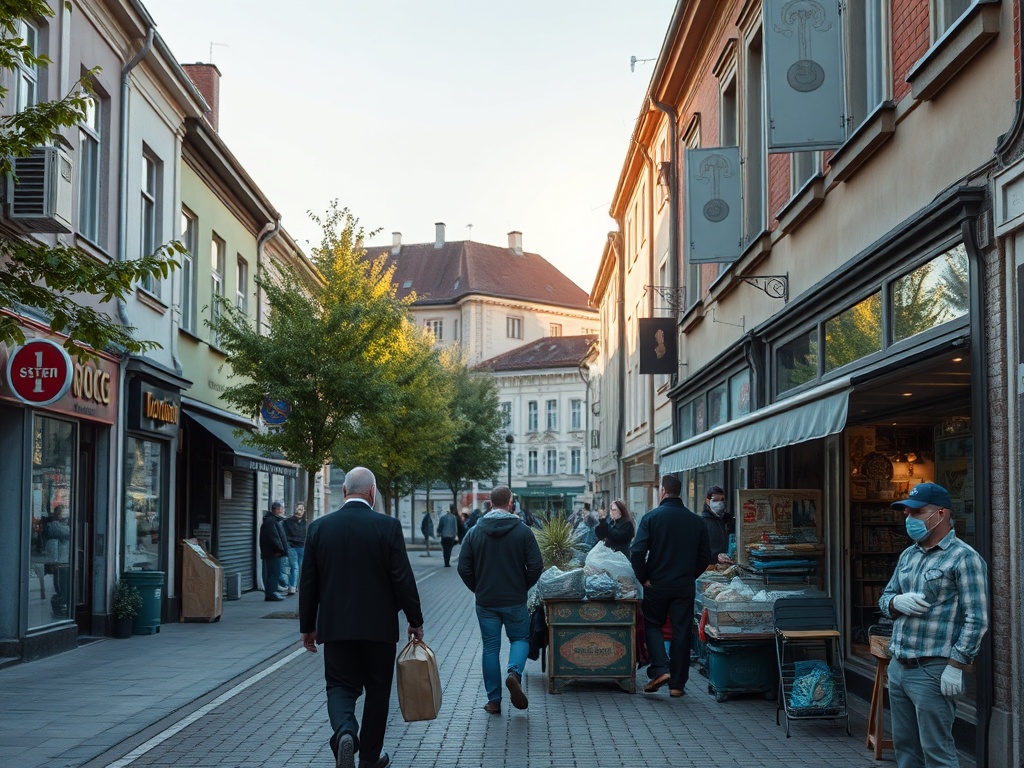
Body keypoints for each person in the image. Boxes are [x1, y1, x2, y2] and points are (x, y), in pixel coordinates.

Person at [300, 467, 423, 768]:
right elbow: (403, 579)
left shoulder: (319, 528)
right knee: (378, 692)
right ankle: (369, 757)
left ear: (344, 491)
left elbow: (308, 582)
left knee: (340, 686)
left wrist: (308, 626)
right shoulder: (388, 526)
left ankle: (345, 732)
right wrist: (415, 620)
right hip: (379, 629)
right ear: (372, 492)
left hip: (336, 628)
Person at [879, 482, 989, 768]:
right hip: (899, 665)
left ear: (940, 513)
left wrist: (956, 665)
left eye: (917, 513)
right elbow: (886, 597)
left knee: (937, 752)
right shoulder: (909, 555)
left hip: (933, 670)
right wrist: (895, 603)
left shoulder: (964, 558)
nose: (909, 519)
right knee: (905, 750)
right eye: (906, 513)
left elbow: (977, 618)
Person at [457, 484, 543, 714]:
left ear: (489, 503)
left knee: (490, 648)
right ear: (510, 503)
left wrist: (478, 588)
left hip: (486, 601)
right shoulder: (523, 531)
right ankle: (514, 672)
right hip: (514, 599)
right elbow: (536, 565)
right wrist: (521, 585)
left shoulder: (475, 531)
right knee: (520, 639)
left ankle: (494, 700)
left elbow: (463, 567)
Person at [630, 474, 711, 698]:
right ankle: (677, 685)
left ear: (663, 492)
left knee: (653, 625)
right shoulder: (696, 521)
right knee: (682, 631)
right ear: (680, 492)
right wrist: (690, 574)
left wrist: (643, 576)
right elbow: (705, 556)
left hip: (656, 583)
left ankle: (660, 669)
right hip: (683, 585)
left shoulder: (651, 518)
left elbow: (636, 551)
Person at [259, 501, 289, 601]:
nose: (283, 510)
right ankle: (271, 593)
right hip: (273, 553)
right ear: (276, 509)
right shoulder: (271, 521)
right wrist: (280, 550)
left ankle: (272, 592)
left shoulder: (272, 520)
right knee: (273, 573)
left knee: (274, 573)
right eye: (281, 508)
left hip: (272, 552)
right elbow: (274, 538)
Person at [45, 505, 71, 618]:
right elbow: (68, 533)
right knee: (61, 589)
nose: (66, 515)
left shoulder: (63, 525)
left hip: (65, 560)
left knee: (65, 588)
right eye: (64, 512)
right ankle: (58, 608)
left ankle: (61, 608)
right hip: (60, 561)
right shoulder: (53, 526)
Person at [699, 486, 735, 565]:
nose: (719, 503)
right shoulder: (702, 522)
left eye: (722, 500)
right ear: (708, 501)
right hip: (710, 567)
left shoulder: (730, 520)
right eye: (715, 500)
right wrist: (715, 558)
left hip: (730, 565)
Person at [283, 503, 308, 595]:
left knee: (299, 567)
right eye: (297, 509)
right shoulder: (287, 521)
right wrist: (287, 545)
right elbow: (284, 534)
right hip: (291, 546)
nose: (299, 511)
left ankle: (296, 586)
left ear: (304, 511)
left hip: (302, 547)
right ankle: (292, 586)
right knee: (295, 567)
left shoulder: (306, 522)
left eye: (301, 509)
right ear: (294, 509)